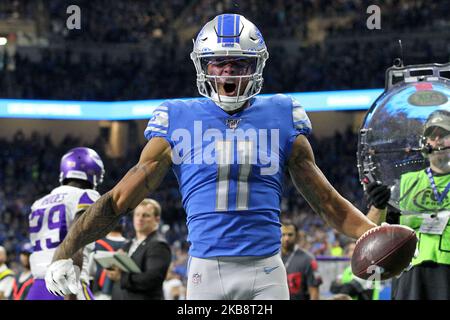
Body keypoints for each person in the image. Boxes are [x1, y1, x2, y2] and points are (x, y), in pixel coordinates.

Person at [45, 13, 376, 300]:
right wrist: (65, 250)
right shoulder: (177, 118)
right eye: (219, 62)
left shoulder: (282, 114)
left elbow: (327, 203)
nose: (228, 73)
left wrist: (377, 236)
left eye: (239, 63)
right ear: (204, 66)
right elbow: (119, 200)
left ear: (256, 65)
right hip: (206, 269)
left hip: (265, 270)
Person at [366, 109, 450, 300]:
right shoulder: (405, 183)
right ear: (424, 143)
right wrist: (377, 206)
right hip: (410, 272)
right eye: (431, 135)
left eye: (444, 135)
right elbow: (370, 231)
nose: (436, 140)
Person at [27, 147, 105, 300]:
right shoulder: (87, 195)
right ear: (94, 174)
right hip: (66, 283)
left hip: (37, 287)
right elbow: (76, 240)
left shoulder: (38, 203)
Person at [104, 199, 171, 300]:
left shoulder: (159, 245)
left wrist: (121, 277)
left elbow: (152, 279)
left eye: (146, 215)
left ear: (157, 219)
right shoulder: (128, 244)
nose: (140, 219)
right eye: (137, 215)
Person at [281, 220, 322, 300]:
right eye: (283, 235)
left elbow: (314, 292)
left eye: (290, 235)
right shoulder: (272, 258)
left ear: (297, 236)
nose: (286, 238)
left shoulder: (308, 259)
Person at [92, 222, 127, 300]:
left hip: (99, 290)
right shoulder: (129, 245)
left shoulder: (96, 244)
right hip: (121, 291)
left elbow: (90, 270)